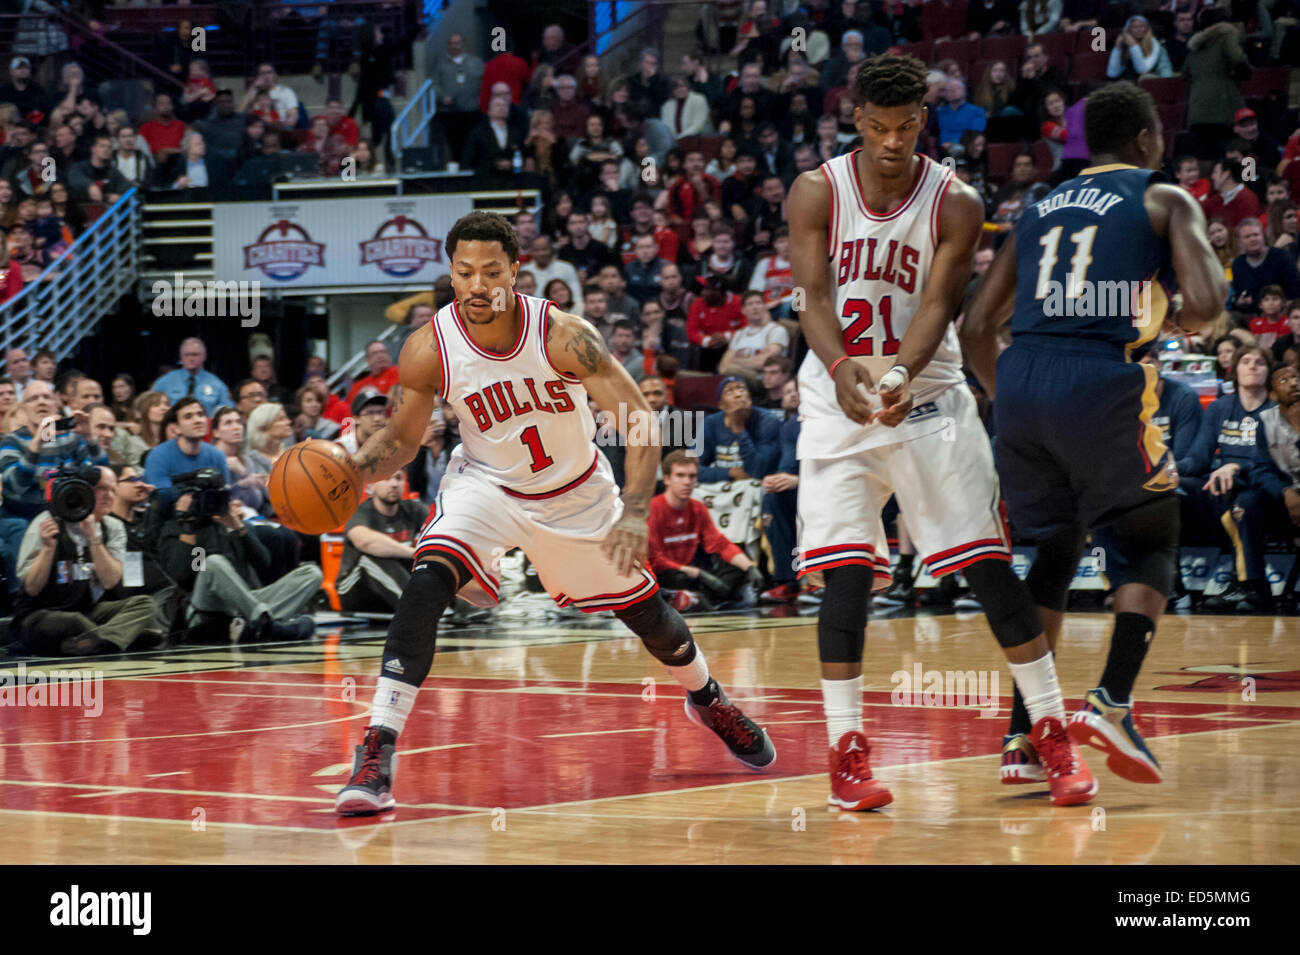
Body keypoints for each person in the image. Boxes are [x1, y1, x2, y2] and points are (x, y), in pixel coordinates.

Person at [334, 211, 776, 815]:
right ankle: (376, 751)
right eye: (465, 272)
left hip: (575, 494)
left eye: (492, 271)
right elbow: (404, 441)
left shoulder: (564, 334)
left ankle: (707, 697)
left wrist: (635, 509)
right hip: (486, 485)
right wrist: (349, 473)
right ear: (452, 276)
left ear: (516, 272)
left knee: (651, 620)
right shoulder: (428, 348)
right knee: (427, 578)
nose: (478, 284)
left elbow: (641, 420)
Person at [788, 53, 1096, 811]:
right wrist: (840, 371)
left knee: (989, 567)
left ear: (922, 120)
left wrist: (893, 378)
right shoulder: (815, 190)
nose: (893, 142)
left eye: (906, 126)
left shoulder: (954, 198)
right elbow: (810, 295)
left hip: (925, 392)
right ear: (856, 120)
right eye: (879, 127)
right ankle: (846, 752)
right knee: (847, 578)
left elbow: (938, 307)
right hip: (835, 399)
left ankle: (1048, 733)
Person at [964, 81, 1228, 793]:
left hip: (1018, 384)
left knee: (1052, 552)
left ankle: (1024, 732)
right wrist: (1194, 260)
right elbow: (1206, 308)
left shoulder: (1038, 206)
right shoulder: (1162, 193)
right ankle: (1111, 701)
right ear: (1146, 141)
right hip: (1096, 377)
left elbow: (974, 328)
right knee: (1152, 534)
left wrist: (1014, 398)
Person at [12, 465, 163, 656]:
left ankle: (93, 641)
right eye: (101, 488)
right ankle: (116, 638)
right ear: (81, 489)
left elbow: (110, 581)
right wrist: (48, 549)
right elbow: (31, 588)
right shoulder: (46, 522)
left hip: (87, 610)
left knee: (145, 604)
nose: (109, 495)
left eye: (112, 489)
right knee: (73, 620)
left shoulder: (113, 526)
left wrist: (94, 539)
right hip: (40, 615)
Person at [647, 450, 764, 612]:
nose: (687, 482)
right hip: (664, 575)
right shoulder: (653, 509)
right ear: (667, 479)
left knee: (737, 567)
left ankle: (694, 598)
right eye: (680, 476)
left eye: (692, 476)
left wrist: (750, 567)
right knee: (678, 577)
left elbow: (719, 543)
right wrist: (696, 573)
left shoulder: (697, 508)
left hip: (690, 573)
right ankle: (685, 597)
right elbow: (654, 559)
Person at [336, 471, 426, 613]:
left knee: (441, 555)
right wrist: (415, 553)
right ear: (371, 486)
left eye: (398, 478)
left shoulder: (413, 510)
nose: (394, 484)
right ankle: (419, 609)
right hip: (356, 590)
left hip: (390, 591)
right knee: (373, 557)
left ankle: (463, 608)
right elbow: (365, 542)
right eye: (386, 478)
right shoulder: (360, 512)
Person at [151, 338, 232, 417]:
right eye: (187, 355)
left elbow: (228, 412)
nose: (191, 358)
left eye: (195, 354)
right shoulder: (164, 382)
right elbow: (150, 407)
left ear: (204, 356)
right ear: (181, 357)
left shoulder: (217, 384)